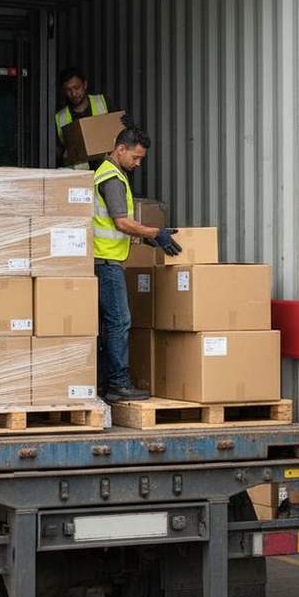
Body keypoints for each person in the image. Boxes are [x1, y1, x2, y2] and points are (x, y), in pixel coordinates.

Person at [93, 122, 182, 402]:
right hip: (106, 262)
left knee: (109, 324)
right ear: (121, 149)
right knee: (119, 321)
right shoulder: (112, 178)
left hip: (106, 259)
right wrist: (154, 233)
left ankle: (105, 383)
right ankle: (118, 383)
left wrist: (145, 238)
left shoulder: (110, 173)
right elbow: (121, 223)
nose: (138, 163)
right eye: (136, 157)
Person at [55, 68, 108, 168]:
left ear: (85, 84)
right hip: (79, 172)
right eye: (68, 90)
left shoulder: (103, 102)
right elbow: (58, 152)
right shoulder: (60, 117)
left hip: (105, 168)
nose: (73, 94)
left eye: (77, 87)